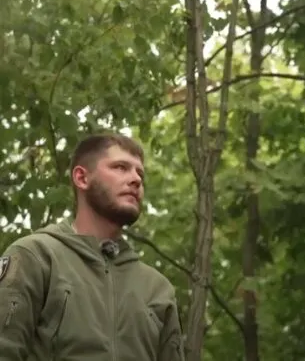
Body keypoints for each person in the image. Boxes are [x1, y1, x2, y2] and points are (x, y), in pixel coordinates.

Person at [0, 132, 185, 361]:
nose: (136, 179)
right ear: (82, 178)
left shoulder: (157, 289)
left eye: (140, 173)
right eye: (120, 167)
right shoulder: (37, 257)